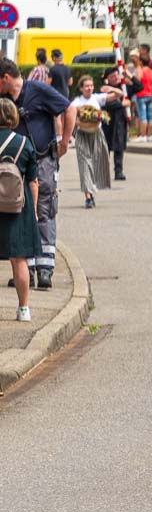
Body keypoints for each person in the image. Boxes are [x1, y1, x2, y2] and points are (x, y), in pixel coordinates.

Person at [0, 57, 71, 290]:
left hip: (43, 160)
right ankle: (26, 270)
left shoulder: (38, 90)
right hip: (18, 165)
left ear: (6, 78)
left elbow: (69, 108)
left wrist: (64, 143)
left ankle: (45, 270)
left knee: (45, 211)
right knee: (21, 212)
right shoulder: (6, 99)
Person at [0, 99, 39, 321]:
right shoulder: (24, 143)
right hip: (18, 207)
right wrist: (33, 210)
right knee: (19, 260)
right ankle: (24, 309)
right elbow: (33, 181)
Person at [68, 75, 121, 208]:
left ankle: (92, 189)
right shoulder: (76, 102)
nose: (89, 88)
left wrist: (109, 88)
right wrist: (74, 127)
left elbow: (120, 94)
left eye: (91, 85)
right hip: (83, 135)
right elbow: (69, 116)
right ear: (81, 88)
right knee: (85, 164)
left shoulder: (97, 98)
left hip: (97, 134)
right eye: (86, 86)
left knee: (97, 162)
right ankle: (88, 196)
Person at [100, 66, 138, 183]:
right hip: (108, 121)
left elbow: (139, 87)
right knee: (106, 147)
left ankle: (118, 171)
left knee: (119, 147)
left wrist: (129, 75)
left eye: (116, 75)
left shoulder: (124, 87)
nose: (115, 77)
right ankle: (102, 172)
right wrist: (122, 104)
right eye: (112, 76)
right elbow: (106, 104)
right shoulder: (105, 89)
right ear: (107, 79)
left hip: (120, 121)